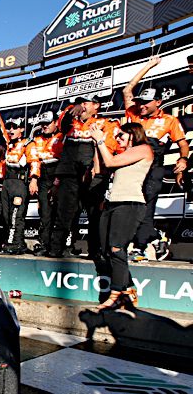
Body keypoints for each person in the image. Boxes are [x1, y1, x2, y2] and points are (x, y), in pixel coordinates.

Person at [122, 56, 189, 260]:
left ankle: (140, 247)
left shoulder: (169, 120)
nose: (141, 106)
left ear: (158, 102)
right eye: (140, 102)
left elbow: (183, 144)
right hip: (134, 166)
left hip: (155, 167)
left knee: (147, 203)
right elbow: (126, 91)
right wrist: (148, 66)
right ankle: (154, 235)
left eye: (146, 103)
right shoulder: (134, 114)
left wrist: (183, 160)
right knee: (133, 205)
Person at [91, 122, 153, 310]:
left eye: (121, 135)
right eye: (116, 136)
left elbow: (109, 163)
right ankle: (127, 290)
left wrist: (101, 140)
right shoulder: (120, 155)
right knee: (105, 250)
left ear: (133, 135)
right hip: (112, 204)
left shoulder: (143, 149)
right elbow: (100, 169)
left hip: (130, 204)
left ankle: (116, 295)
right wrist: (96, 144)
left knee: (117, 248)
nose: (117, 139)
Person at [49, 95, 120, 260]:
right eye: (78, 103)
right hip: (70, 174)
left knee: (95, 214)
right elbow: (61, 125)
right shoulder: (70, 123)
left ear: (96, 106)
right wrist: (69, 112)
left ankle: (96, 251)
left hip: (93, 174)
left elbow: (109, 147)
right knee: (64, 213)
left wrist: (95, 167)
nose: (81, 107)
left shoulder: (107, 124)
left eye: (85, 103)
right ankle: (56, 250)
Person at [0, 101, 30, 255]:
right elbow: (0, 130)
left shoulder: (27, 143)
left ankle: (15, 244)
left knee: (16, 215)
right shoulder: (7, 143)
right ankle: (17, 242)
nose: (11, 130)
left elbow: (34, 163)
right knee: (6, 216)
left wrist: (34, 180)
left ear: (22, 129)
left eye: (15, 127)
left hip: (19, 182)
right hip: (7, 182)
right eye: (10, 127)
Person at [26, 111, 64, 257]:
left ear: (55, 122)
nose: (45, 126)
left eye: (48, 123)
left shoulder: (62, 137)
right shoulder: (36, 140)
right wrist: (34, 179)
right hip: (43, 176)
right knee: (45, 213)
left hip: (59, 175)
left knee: (61, 213)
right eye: (43, 124)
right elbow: (35, 160)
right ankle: (44, 244)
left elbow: (65, 158)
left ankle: (59, 246)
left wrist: (58, 180)